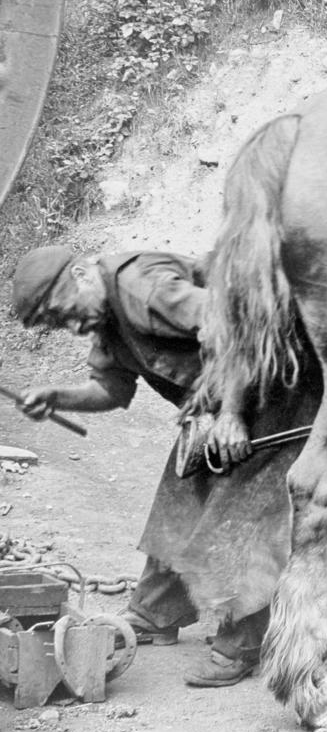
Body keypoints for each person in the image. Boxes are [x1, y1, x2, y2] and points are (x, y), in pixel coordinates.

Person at [9, 247, 310, 687]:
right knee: (181, 493)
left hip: (278, 386)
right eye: (60, 325)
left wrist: (230, 415)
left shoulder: (139, 286)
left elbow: (231, 323)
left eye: (65, 312)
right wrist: (59, 396)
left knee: (241, 510)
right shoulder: (105, 318)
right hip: (218, 402)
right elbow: (110, 388)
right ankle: (156, 611)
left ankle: (243, 642)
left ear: (79, 273)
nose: (73, 327)